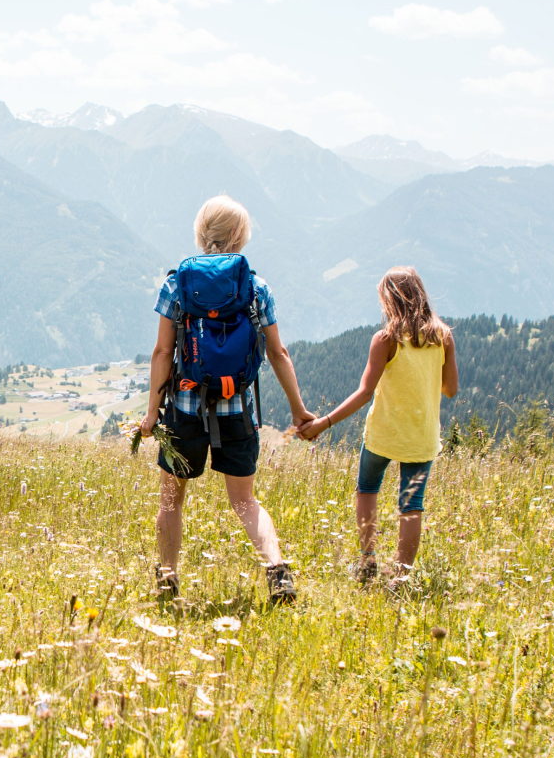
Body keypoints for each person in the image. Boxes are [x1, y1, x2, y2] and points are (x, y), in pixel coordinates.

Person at [139, 196, 316, 605]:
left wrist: (152, 412)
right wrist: (298, 409)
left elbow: (163, 353)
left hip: (185, 411)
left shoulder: (177, 284)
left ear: (202, 233)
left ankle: (167, 582)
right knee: (245, 501)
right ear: (240, 236)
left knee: (171, 499)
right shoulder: (256, 287)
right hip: (237, 409)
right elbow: (278, 353)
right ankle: (277, 571)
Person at [300, 266, 458, 588]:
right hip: (422, 436)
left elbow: (365, 392)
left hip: (383, 434)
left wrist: (323, 423)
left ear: (391, 300)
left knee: (368, 489)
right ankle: (401, 577)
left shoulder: (386, 339)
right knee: (411, 504)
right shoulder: (443, 336)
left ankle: (367, 560)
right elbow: (451, 389)